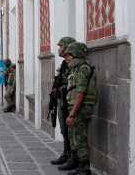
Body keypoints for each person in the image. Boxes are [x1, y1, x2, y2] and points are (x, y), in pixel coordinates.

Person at [60, 42, 97, 175]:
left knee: (80, 139)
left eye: (70, 55)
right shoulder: (77, 68)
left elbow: (81, 95)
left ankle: (85, 168)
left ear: (76, 55)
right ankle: (80, 165)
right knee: (75, 138)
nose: (68, 58)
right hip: (76, 109)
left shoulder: (82, 70)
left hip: (80, 110)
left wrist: (71, 115)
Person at [49, 37, 77, 168]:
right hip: (61, 102)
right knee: (64, 131)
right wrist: (53, 100)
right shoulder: (64, 64)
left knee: (70, 133)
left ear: (67, 48)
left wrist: (61, 90)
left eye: (60, 47)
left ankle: (73, 159)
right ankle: (66, 154)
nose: (59, 49)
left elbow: (74, 85)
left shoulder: (73, 65)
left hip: (69, 102)